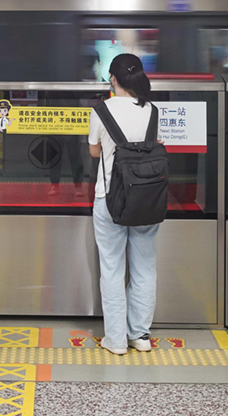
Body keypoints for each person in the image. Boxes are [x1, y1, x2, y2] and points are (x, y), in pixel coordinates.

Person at [87, 53, 160, 356]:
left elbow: (94, 152)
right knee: (144, 268)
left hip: (109, 198)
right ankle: (140, 336)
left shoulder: (101, 111)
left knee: (112, 269)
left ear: (113, 79)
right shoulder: (152, 110)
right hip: (147, 198)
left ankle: (116, 340)